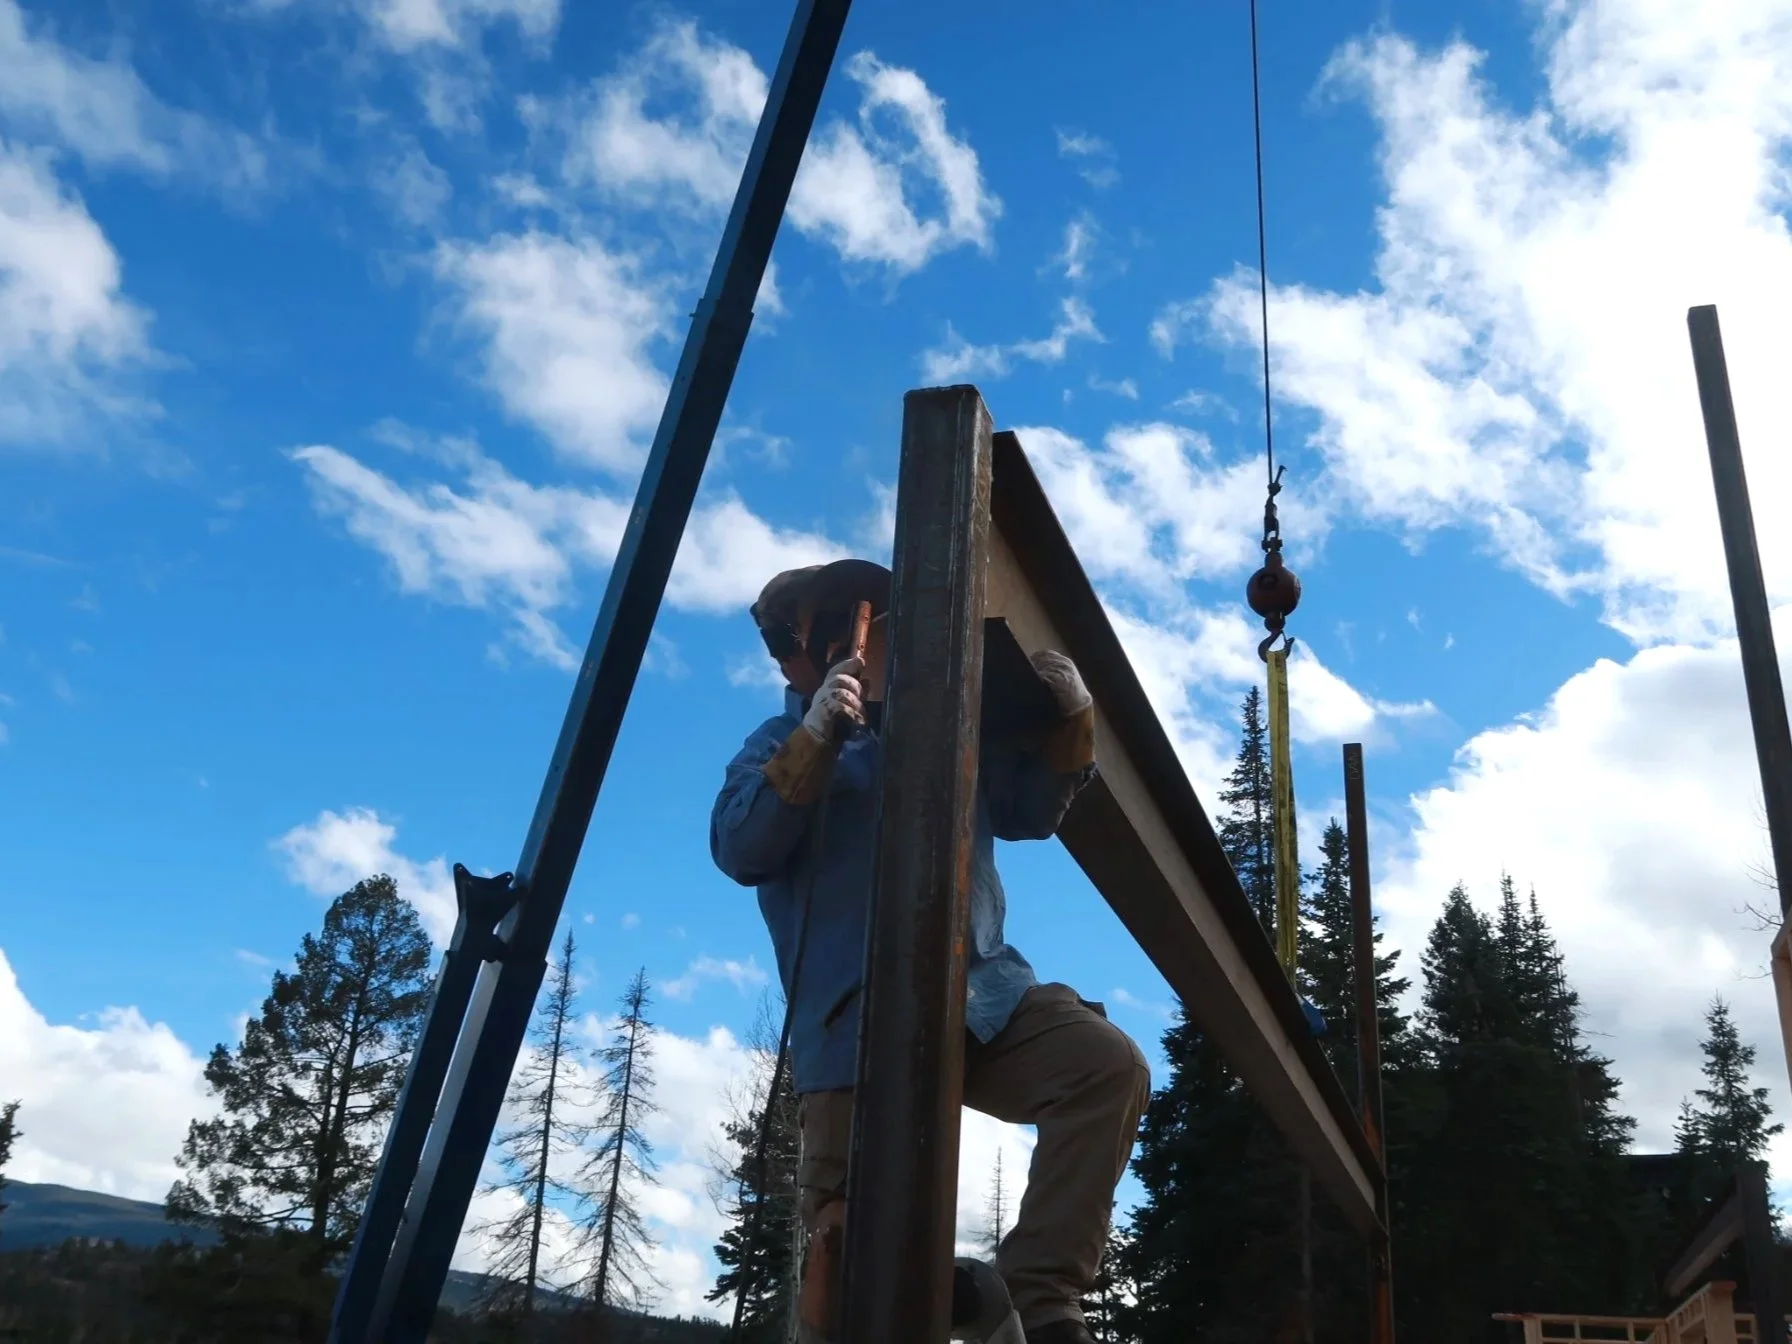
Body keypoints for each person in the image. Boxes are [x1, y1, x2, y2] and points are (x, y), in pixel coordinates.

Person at [709, 558, 1152, 1344]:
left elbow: (1031, 812)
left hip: (979, 997)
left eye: (873, 616)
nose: (866, 633)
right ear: (794, 654)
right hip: (857, 1028)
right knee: (847, 1264)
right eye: (841, 620)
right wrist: (816, 740)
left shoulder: (947, 731)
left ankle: (1043, 1297)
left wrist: (1071, 725)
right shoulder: (779, 740)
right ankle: (964, 1303)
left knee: (1103, 1067)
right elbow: (741, 844)